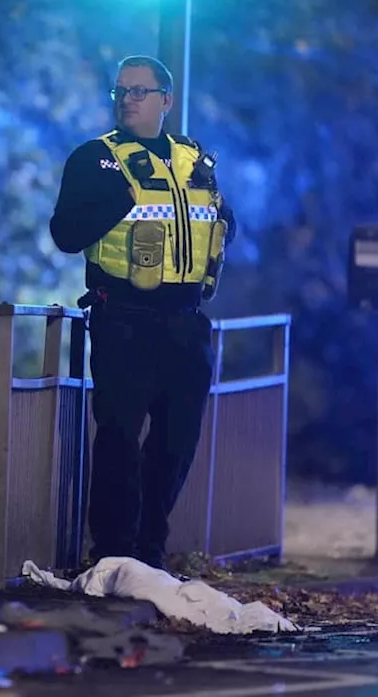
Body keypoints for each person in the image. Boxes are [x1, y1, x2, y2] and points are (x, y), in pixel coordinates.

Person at [49, 55, 236, 570]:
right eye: (121, 90)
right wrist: (116, 200)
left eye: (139, 91)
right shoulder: (95, 159)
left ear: (165, 101)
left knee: (176, 444)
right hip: (124, 320)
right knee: (119, 441)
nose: (127, 99)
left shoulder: (193, 159)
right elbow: (65, 234)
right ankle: (112, 552)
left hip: (185, 323)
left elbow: (223, 221)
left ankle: (151, 550)